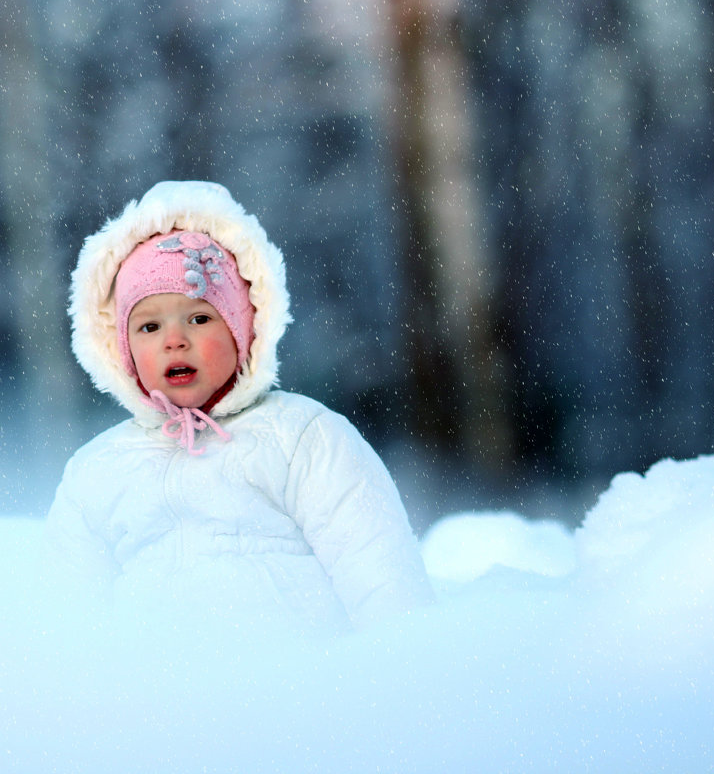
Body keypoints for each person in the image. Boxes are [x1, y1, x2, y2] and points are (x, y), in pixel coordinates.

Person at [44, 180, 433, 633]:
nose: (174, 339)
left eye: (199, 317)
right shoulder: (97, 472)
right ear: (121, 351)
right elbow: (66, 619)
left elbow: (382, 578)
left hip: (299, 682)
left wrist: (404, 666)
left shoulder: (302, 437)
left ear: (242, 329)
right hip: (153, 693)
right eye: (149, 327)